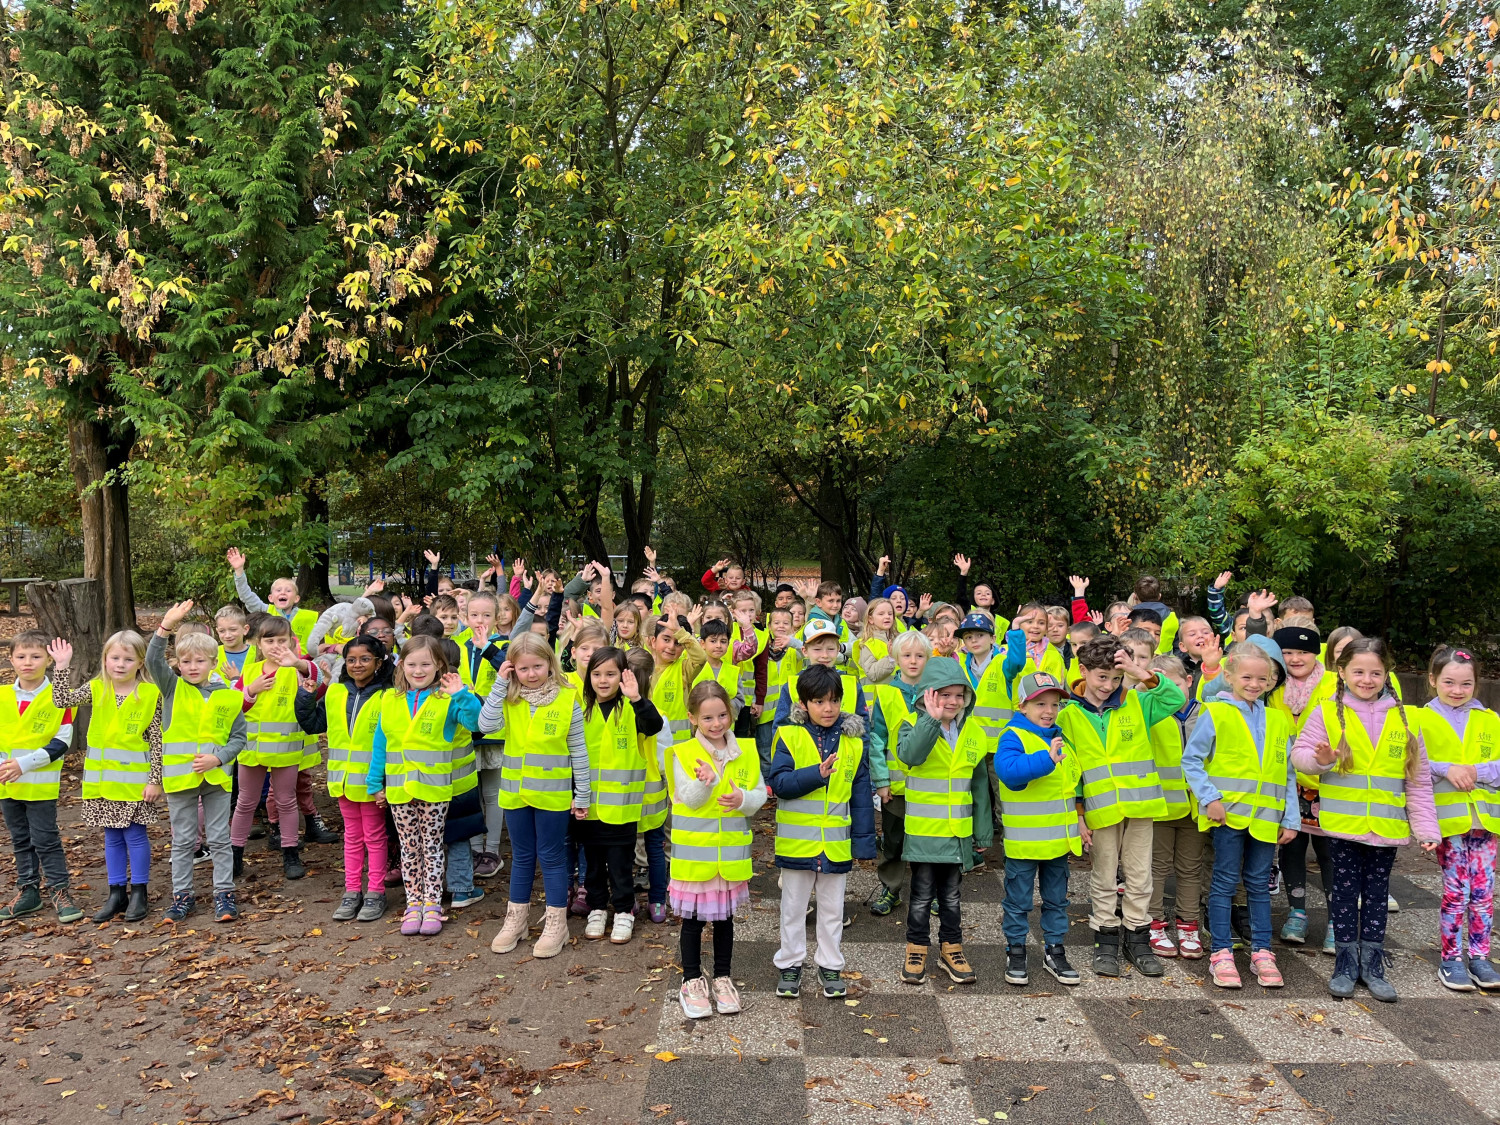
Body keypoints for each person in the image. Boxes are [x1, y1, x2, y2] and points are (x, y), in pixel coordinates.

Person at [1291, 637, 1440, 1002]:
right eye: (1358, 671)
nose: (1367, 679)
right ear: (1341, 672)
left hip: (1387, 828)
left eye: (1376, 672)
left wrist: (1427, 828)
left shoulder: (1408, 718)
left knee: (1375, 897)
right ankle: (1345, 962)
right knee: (1343, 895)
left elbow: (1417, 781)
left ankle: (1372, 963)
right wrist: (1322, 759)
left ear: (1387, 673)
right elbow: (1300, 757)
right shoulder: (1326, 712)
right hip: (1343, 827)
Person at [1057, 635, 1184, 977]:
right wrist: (1079, 815)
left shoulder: (1138, 702)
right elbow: (1073, 771)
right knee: (1104, 875)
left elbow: (1175, 698)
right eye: (1101, 678)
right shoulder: (1068, 713)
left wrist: (1138, 671)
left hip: (1140, 806)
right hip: (1100, 809)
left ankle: (1137, 937)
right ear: (1083, 671)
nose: (1108, 685)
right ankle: (1106, 938)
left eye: (1115, 678)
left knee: (1141, 876)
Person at [1182, 643, 1299, 988]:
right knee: (1224, 883)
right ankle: (1221, 952)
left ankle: (1262, 950)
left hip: (1266, 819)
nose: (1254, 683)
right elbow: (1191, 760)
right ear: (1229, 677)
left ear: (1271, 681)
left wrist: (1290, 818)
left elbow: (1287, 774)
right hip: (1228, 817)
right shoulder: (1215, 713)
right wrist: (1209, 799)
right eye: (1246, 676)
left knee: (1259, 886)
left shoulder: (1278, 720)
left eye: (1262, 678)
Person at [479, 632, 593, 958]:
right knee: (523, 857)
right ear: (513, 669)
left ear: (550, 664)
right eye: (524, 668)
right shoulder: (510, 699)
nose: (531, 674)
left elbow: (578, 751)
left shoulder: (566, 698)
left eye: (538, 666)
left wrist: (582, 794)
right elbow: (484, 725)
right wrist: (500, 684)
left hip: (553, 796)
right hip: (515, 795)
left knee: (553, 857)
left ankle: (556, 923)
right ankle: (515, 921)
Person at [770, 665, 876, 999]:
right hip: (797, 842)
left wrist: (864, 842)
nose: (827, 708)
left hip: (835, 842)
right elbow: (780, 784)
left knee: (833, 911)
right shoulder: (788, 735)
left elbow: (861, 794)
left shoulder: (854, 741)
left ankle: (830, 964)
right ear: (803, 703)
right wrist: (817, 773)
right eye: (819, 701)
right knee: (793, 908)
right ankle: (790, 964)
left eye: (833, 701)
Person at [365, 635, 481, 936]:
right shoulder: (389, 699)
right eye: (412, 664)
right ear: (401, 665)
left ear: (439, 666)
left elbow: (475, 722)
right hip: (400, 789)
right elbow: (381, 743)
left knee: (432, 847)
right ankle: (412, 903)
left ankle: (432, 903)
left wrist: (461, 694)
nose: (419, 670)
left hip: (434, 789)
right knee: (408, 848)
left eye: (426, 664)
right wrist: (375, 781)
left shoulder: (447, 699)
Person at [668, 682, 767, 1019]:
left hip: (730, 858)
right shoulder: (683, 753)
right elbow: (689, 800)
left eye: (722, 715)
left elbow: (758, 796)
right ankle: (691, 979)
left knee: (725, 921)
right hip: (696, 860)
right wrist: (704, 781)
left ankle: (723, 978)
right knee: (693, 922)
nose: (717, 723)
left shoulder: (747, 751)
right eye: (707, 717)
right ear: (693, 718)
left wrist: (744, 800)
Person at [49, 632, 162, 923]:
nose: (120, 664)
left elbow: (159, 741)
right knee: (111, 837)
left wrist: (155, 780)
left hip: (136, 784)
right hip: (102, 783)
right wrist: (61, 667)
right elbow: (62, 700)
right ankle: (116, 893)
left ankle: (139, 891)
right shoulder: (98, 688)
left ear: (140, 662)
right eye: (115, 658)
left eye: (128, 659)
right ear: (105, 660)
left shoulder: (150, 694)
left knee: (135, 837)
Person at [147, 601, 248, 923]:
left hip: (217, 781)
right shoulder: (173, 688)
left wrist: (218, 758)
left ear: (213, 663)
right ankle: (182, 896)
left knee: (220, 839)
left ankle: (224, 894)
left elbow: (238, 739)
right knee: (183, 842)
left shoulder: (229, 695)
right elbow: (152, 660)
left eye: (199, 661)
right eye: (186, 661)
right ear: (178, 664)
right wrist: (167, 625)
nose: (192, 667)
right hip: (180, 781)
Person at [896, 658, 992, 985]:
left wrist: (983, 830)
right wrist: (931, 721)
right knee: (922, 895)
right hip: (924, 832)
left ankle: (951, 946)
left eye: (958, 695)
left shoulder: (974, 732)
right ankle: (917, 946)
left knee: (951, 896)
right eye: (943, 695)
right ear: (927, 694)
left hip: (958, 832)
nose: (951, 702)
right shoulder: (912, 723)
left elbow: (980, 783)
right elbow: (910, 756)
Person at [1418, 646, 1500, 991]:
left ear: (1475, 684)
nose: (1457, 690)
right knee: (1457, 891)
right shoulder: (1420, 718)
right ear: (1433, 680)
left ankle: (1480, 956)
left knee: (1484, 892)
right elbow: (1416, 764)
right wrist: (1447, 769)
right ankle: (1451, 958)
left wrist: (1475, 770)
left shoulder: (1489, 720)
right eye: (1449, 682)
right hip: (1449, 823)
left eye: (1465, 684)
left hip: (1486, 823)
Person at [296, 634, 394, 922]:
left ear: (378, 662)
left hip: (374, 784)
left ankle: (375, 892)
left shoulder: (389, 696)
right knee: (352, 838)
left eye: (365, 659)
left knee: (375, 838)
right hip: (342, 781)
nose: (357, 665)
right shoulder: (336, 692)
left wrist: (385, 783)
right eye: (351, 660)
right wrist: (306, 695)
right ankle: (352, 892)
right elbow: (314, 724)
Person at [996, 671, 1084, 986]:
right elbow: (1008, 772)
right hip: (1025, 844)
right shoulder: (1012, 735)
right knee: (1018, 900)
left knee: (1057, 899)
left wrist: (1080, 818)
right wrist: (1045, 760)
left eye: (1054, 704)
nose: (1048, 711)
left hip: (1058, 842)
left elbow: (1071, 785)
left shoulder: (1061, 737)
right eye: (1040, 704)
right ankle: (1016, 949)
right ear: (1022, 706)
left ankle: (1054, 949)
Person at [578, 647, 662, 945]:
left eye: (611, 674)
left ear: (623, 676)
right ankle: (598, 908)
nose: (603, 680)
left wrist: (637, 698)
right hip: (588, 809)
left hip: (623, 810)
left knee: (620, 865)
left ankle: (624, 910)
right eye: (597, 674)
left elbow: (654, 726)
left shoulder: (631, 708)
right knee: (593, 865)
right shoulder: (582, 708)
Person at [230, 616, 321, 881]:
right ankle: (235, 854)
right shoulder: (250, 670)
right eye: (269, 641)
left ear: (292, 642)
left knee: (286, 801)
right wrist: (250, 691)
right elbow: (235, 707)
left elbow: (318, 681)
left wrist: (300, 663)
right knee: (245, 803)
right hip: (251, 752)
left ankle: (290, 853)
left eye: (282, 641)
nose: (276, 646)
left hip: (285, 751)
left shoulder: (295, 669)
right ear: (259, 643)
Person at [0, 630, 80, 924]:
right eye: (21, 657)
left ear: (48, 659)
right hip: (7, 784)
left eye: (35, 657)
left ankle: (60, 891)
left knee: (46, 839)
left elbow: (62, 742)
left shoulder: (59, 696)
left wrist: (24, 764)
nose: (28, 663)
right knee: (20, 839)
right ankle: (28, 891)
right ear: (10, 659)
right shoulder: (2, 695)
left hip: (39, 785)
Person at [1145, 654, 1205, 959]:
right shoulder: (1151, 716)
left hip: (1196, 809)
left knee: (1190, 869)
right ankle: (1154, 921)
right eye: (1160, 683)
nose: (1168, 691)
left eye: (1175, 683)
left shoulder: (1206, 714)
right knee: (1155, 869)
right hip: (1159, 807)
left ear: (1189, 682)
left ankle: (1188, 924)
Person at [868, 630, 930, 916]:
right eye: (907, 655)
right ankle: (891, 888)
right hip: (896, 785)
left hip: (930, 785)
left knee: (928, 840)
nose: (913, 661)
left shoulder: (935, 691)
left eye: (920, 656)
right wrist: (881, 781)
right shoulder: (887, 692)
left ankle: (930, 890)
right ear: (896, 658)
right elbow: (877, 739)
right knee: (893, 840)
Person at [227, 547, 319, 653]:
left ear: (296, 598)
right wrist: (239, 570)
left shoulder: (308, 617)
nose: (283, 593)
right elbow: (246, 596)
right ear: (270, 598)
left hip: (300, 665)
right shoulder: (266, 611)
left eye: (288, 590)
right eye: (278, 590)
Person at [757, 608, 802, 777]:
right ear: (769, 626)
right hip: (766, 710)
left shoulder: (794, 648)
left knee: (788, 747)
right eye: (776, 623)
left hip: (790, 711)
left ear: (792, 626)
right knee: (765, 747)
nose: (781, 626)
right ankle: (768, 782)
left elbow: (806, 651)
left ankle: (786, 777)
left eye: (786, 623)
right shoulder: (761, 648)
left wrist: (792, 642)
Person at [855, 598, 899, 685]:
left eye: (890, 614)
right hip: (879, 697)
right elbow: (872, 674)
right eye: (881, 614)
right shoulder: (867, 644)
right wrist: (890, 659)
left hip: (897, 696)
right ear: (870, 619)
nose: (887, 616)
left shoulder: (897, 640)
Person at [214, 604, 253, 684]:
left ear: (245, 629)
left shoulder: (258, 653)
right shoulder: (213, 653)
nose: (227, 635)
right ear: (217, 632)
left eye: (233, 630)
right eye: (222, 631)